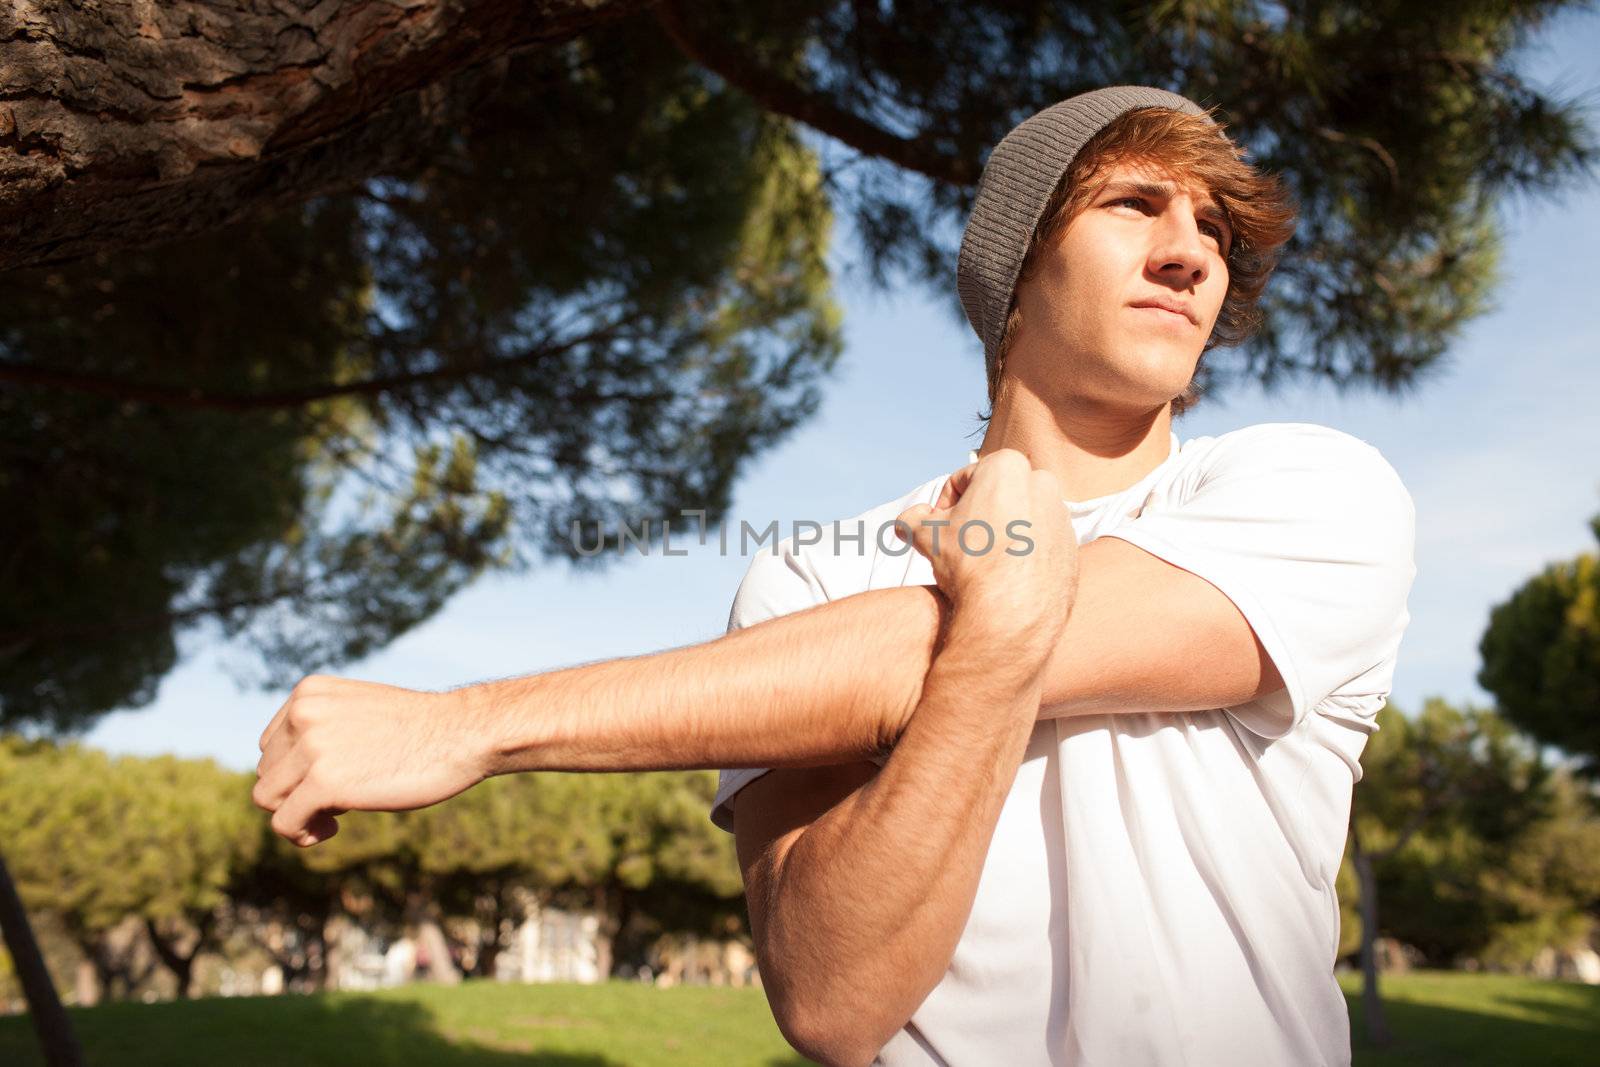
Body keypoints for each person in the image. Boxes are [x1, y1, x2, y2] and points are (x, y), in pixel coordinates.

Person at [253, 86, 1417, 1066]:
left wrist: (474, 724)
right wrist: (1000, 634)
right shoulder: (809, 571)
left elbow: (939, 645)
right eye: (1133, 203)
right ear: (1013, 275)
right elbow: (831, 999)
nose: (1191, 251)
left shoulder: (1310, 490)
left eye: (1215, 229)